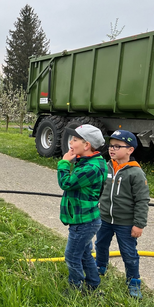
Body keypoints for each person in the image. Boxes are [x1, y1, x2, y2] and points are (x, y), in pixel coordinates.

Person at [95, 130, 150, 298]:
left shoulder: (135, 173)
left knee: (129, 253)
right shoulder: (107, 166)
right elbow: (100, 191)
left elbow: (142, 200)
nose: (112, 149)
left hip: (125, 223)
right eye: (111, 145)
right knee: (101, 245)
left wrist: (139, 224)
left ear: (130, 150)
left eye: (117, 146)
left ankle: (133, 282)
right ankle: (100, 267)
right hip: (104, 218)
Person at [57, 124, 108, 292]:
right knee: (85, 254)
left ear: (87, 145)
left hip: (84, 221)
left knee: (72, 256)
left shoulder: (91, 168)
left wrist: (64, 163)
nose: (71, 142)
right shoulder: (89, 161)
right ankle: (93, 283)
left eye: (75, 139)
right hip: (83, 219)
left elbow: (66, 183)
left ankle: (75, 287)